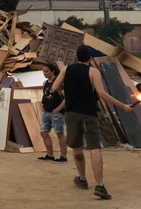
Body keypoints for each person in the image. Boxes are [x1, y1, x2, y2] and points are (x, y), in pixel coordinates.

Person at [52, 44, 134, 200]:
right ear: (90, 58)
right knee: (94, 148)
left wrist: (69, 89)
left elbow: (55, 87)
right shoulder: (93, 71)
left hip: (71, 113)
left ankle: (82, 179)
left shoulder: (66, 69)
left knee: (76, 146)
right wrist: (123, 105)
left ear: (76, 57)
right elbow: (102, 94)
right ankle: (100, 185)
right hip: (89, 114)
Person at [37, 62, 67, 163]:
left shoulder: (58, 83)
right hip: (46, 111)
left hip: (56, 112)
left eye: (46, 71)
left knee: (59, 133)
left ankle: (63, 156)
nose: (44, 73)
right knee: (44, 133)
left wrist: (58, 109)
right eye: (43, 71)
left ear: (52, 71)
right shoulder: (45, 83)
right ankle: (50, 154)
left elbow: (66, 98)